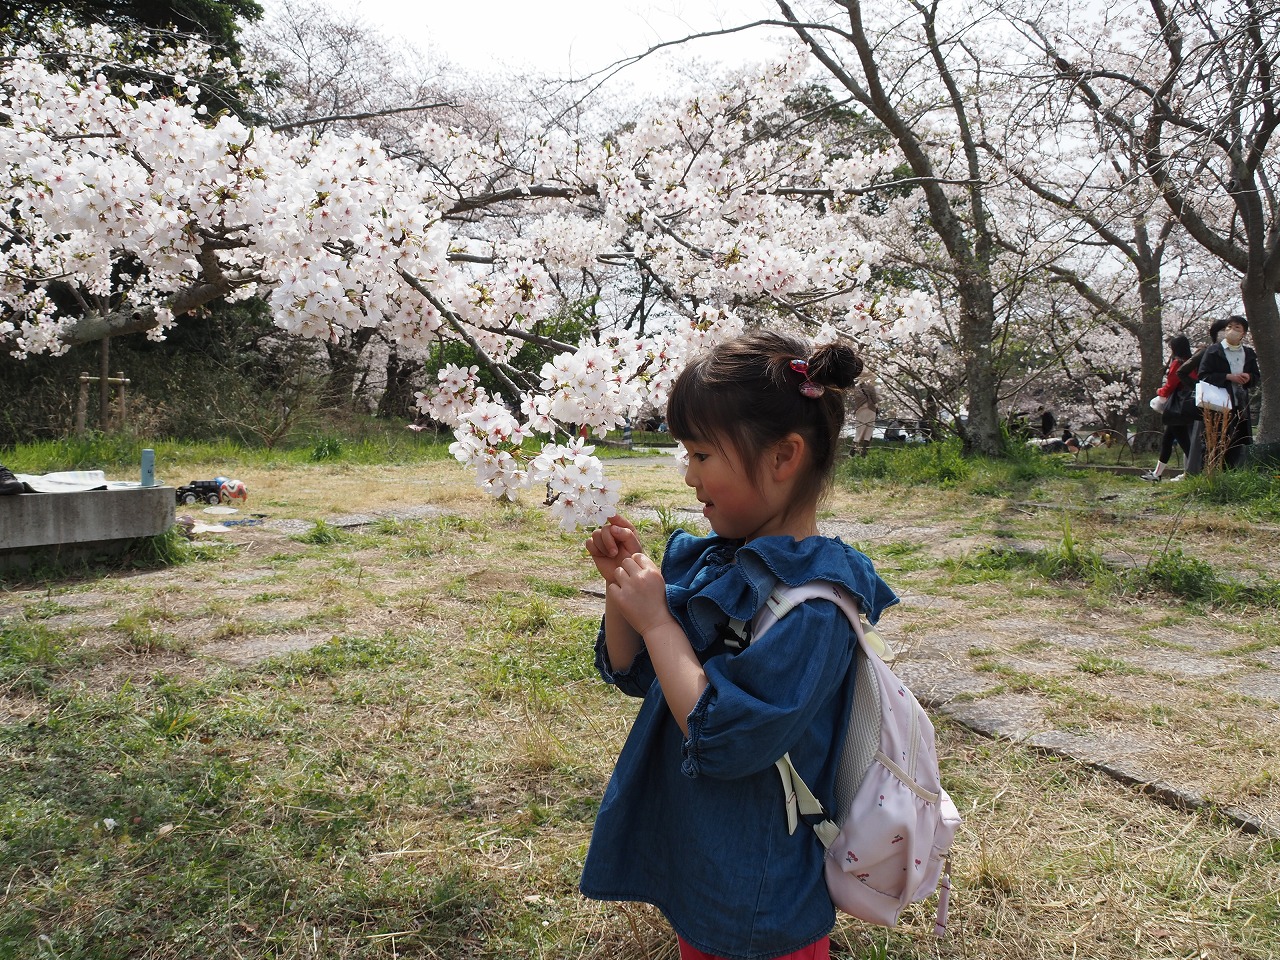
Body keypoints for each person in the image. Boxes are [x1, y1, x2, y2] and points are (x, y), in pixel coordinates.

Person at [581, 331, 898, 960]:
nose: (689, 475)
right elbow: (637, 673)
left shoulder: (813, 605)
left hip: (757, 883)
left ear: (783, 457)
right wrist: (626, 591)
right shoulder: (721, 561)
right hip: (704, 851)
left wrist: (658, 622)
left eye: (702, 455)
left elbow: (724, 737)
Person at [1197, 315, 1262, 469]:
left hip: (1240, 404)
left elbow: (1256, 377)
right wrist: (1228, 377)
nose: (1232, 330)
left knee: (1238, 441)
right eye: (1229, 327)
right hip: (1218, 405)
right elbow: (1203, 375)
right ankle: (1212, 474)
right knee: (1216, 440)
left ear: (1243, 333)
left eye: (1237, 327)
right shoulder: (1214, 351)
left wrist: (1249, 377)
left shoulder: (1248, 353)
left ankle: (1232, 474)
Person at [1178, 318, 1230, 477]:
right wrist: (1199, 387)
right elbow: (1182, 371)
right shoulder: (1207, 351)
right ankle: (1200, 473)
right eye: (1226, 329)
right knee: (1205, 438)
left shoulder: (1237, 352)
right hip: (1211, 402)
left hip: (1232, 401)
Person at [1141, 335, 1194, 481]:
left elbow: (1171, 385)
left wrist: (1159, 393)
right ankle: (1157, 474)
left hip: (1176, 407)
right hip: (1189, 405)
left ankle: (1197, 471)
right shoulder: (1193, 362)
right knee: (1168, 439)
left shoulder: (1178, 363)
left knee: (1185, 443)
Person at [848, 373, 879, 456]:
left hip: (860, 411)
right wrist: (876, 407)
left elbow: (855, 400)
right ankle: (864, 451)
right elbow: (874, 400)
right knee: (869, 429)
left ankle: (852, 450)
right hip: (870, 410)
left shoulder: (856, 388)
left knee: (859, 430)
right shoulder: (870, 386)